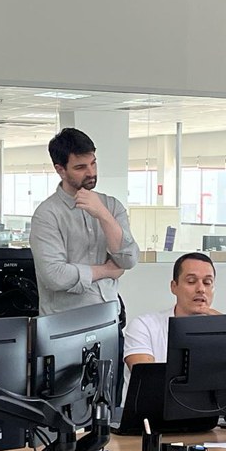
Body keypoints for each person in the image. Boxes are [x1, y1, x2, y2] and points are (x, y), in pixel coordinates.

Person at [29, 127, 139, 315]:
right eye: (80, 167)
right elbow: (56, 276)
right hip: (64, 322)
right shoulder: (47, 214)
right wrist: (106, 270)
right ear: (60, 170)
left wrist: (103, 215)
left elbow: (128, 259)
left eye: (93, 164)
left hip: (108, 317)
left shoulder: (111, 206)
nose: (91, 172)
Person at [122, 252, 220, 405]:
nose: (201, 289)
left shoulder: (223, 328)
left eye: (207, 283)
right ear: (174, 287)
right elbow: (147, 382)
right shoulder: (144, 326)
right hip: (151, 419)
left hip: (212, 419)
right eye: (191, 281)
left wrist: (225, 326)